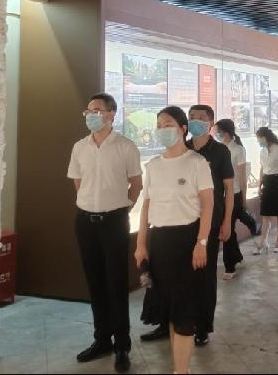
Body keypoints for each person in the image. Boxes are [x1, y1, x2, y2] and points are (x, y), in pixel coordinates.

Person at [134, 106, 213, 375]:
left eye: (168, 124)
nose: (162, 130)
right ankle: (180, 369)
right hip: (159, 242)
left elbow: (208, 205)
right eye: (159, 125)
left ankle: (181, 371)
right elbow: (146, 207)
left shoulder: (196, 162)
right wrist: (141, 244)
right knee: (169, 308)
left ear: (182, 129)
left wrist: (201, 242)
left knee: (184, 312)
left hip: (187, 241)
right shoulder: (154, 165)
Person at [67, 93, 143, 372]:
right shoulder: (79, 147)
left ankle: (122, 345)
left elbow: (136, 184)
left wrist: (123, 207)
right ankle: (102, 340)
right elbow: (78, 182)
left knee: (116, 283)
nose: (91, 115)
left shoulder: (125, 146)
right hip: (85, 221)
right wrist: (90, 203)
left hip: (114, 221)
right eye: (88, 111)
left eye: (97, 110)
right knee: (95, 282)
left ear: (112, 114)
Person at [187, 105, 234, 346]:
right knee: (182, 274)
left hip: (211, 221)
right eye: (192, 117)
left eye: (201, 118)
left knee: (205, 276)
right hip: (183, 219)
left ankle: (203, 326)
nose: (195, 121)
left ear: (211, 123)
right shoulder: (182, 148)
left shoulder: (220, 151)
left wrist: (227, 222)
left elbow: (229, 190)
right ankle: (179, 323)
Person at [216, 118, 259, 279]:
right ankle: (236, 256)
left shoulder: (237, 149)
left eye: (218, 131)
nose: (216, 134)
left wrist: (243, 196)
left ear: (225, 132)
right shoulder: (219, 148)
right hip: (220, 195)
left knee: (227, 227)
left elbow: (242, 176)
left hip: (233, 193)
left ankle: (229, 266)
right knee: (231, 227)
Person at [255, 126, 278, 254]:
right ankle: (263, 241)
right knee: (265, 214)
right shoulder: (262, 151)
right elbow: (262, 168)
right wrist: (259, 186)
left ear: (265, 137)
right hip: (267, 182)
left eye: (259, 138)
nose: (258, 141)